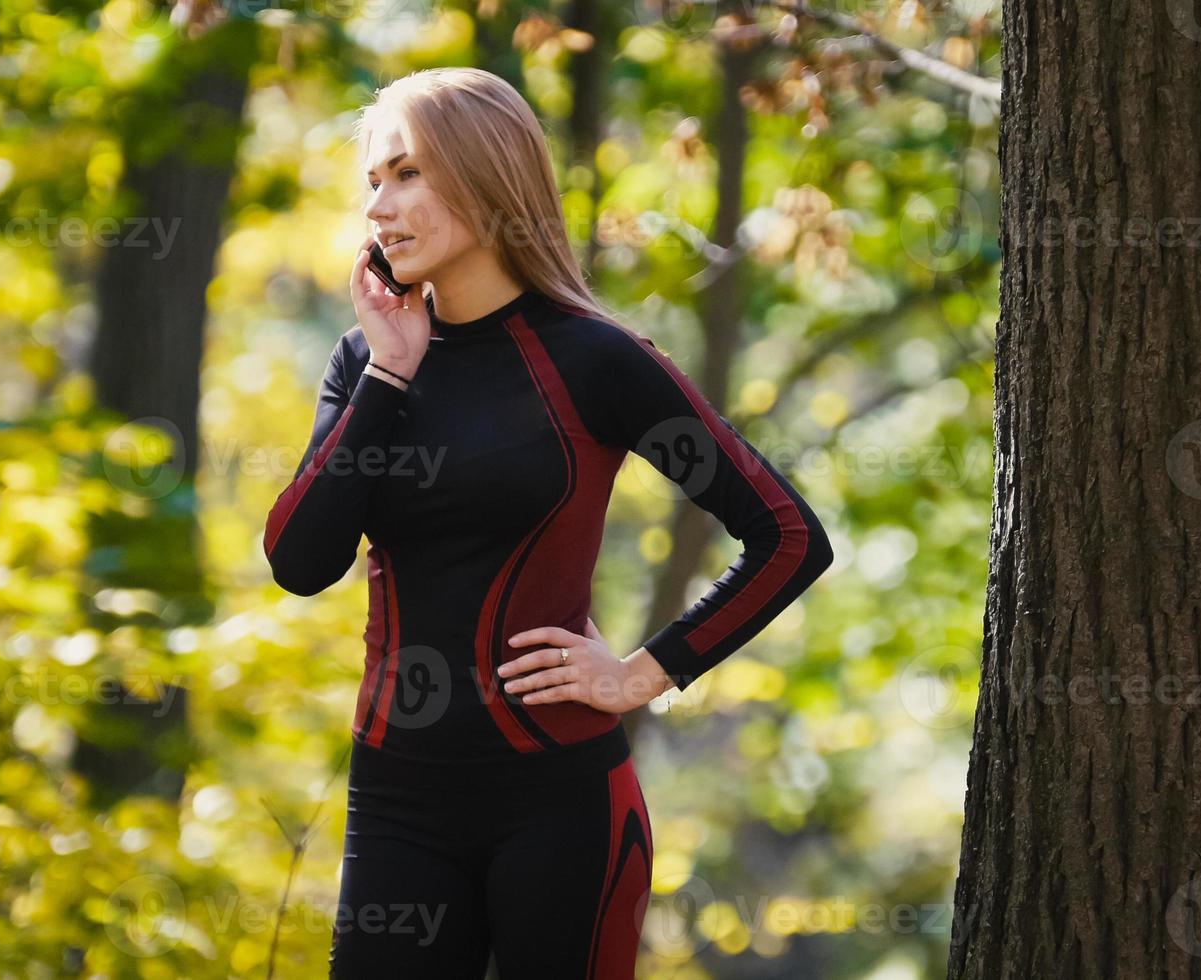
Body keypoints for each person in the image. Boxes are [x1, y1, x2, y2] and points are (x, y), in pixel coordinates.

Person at [262, 66, 835, 979]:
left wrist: (643, 672)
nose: (378, 207)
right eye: (373, 181)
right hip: (397, 802)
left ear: (485, 176)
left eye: (405, 174)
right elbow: (300, 560)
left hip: (559, 806)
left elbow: (787, 536)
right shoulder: (367, 365)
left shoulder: (594, 360)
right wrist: (388, 375)